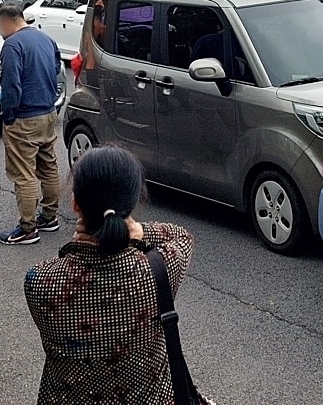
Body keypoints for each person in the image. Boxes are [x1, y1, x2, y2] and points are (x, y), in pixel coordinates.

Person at [24, 147, 200, 405]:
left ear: (75, 204)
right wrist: (139, 230)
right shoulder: (158, 270)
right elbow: (181, 236)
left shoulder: (39, 281)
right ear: (133, 201)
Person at [0, 2, 62, 246]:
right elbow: (56, 69)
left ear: (5, 21)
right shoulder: (46, 39)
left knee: (23, 173)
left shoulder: (12, 44)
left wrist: (8, 115)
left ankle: (27, 228)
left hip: (24, 116)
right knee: (48, 166)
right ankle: (50, 216)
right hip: (47, 111)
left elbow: (10, 84)